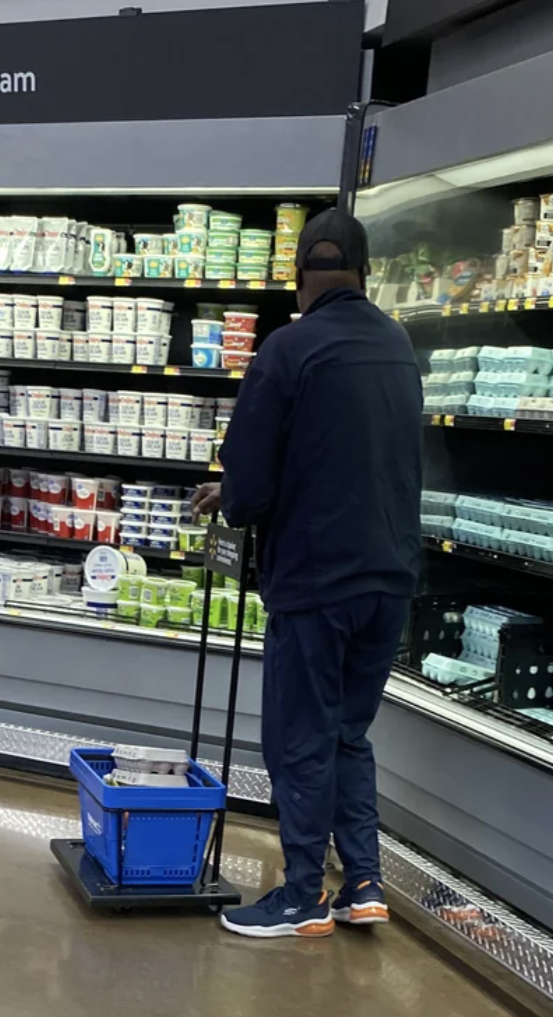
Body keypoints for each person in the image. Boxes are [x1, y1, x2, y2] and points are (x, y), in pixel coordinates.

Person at [192, 209, 423, 939]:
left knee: (298, 736)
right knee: (348, 734)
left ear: (300, 277)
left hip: (317, 583)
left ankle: (300, 894)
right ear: (366, 272)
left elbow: (253, 488)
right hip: (389, 578)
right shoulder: (398, 346)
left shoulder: (288, 350)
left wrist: (231, 496)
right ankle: (362, 883)